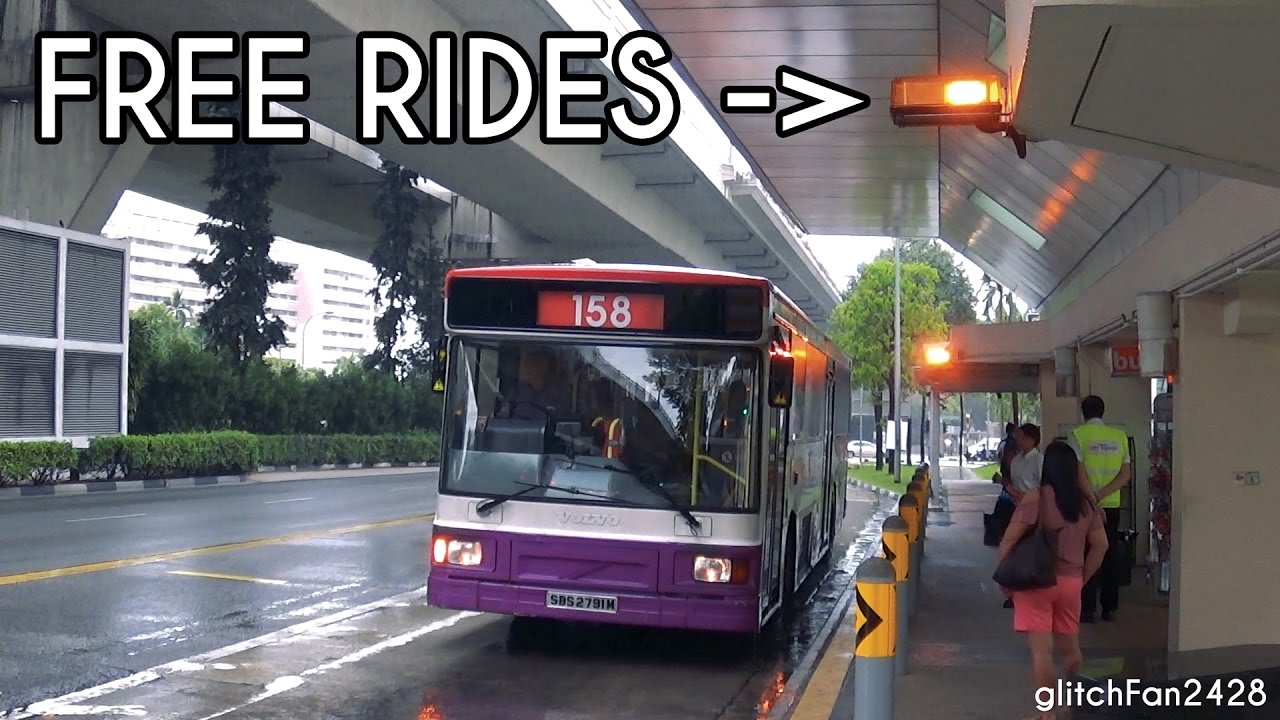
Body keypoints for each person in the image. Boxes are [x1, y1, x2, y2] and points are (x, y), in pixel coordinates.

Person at [998, 441, 1109, 720]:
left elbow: (1010, 538)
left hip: (1036, 581)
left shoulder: (1036, 497)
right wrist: (1081, 579)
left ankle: (1047, 713)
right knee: (1071, 652)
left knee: (1042, 653)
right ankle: (1074, 704)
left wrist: (1004, 574)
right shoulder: (1085, 504)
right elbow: (1101, 545)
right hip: (1070, 584)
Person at [1067, 395, 1131, 623]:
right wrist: (1104, 495)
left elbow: (1078, 471)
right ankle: (1109, 608)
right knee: (1110, 554)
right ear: (1103, 412)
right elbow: (1126, 474)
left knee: (1087, 554)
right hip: (1112, 506)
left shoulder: (1077, 435)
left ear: (1083, 412)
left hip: (1086, 505)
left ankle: (1087, 609)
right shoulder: (1119, 437)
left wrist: (1093, 500)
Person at [1008, 424, 1043, 497]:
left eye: (1022, 437)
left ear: (1031, 439)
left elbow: (1043, 486)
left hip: (1033, 503)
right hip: (1017, 503)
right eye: (1017, 436)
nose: (1018, 440)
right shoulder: (1016, 460)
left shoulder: (1038, 460)